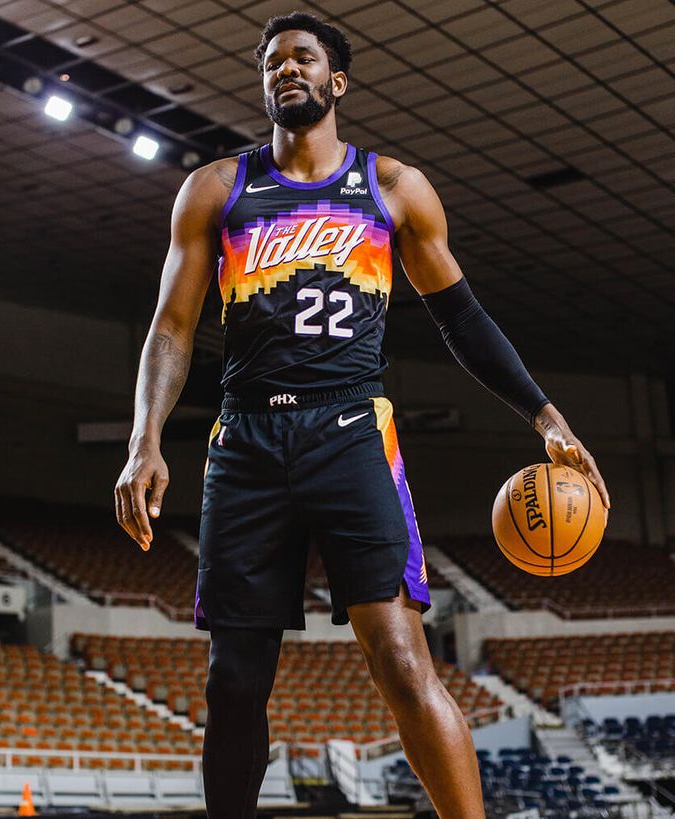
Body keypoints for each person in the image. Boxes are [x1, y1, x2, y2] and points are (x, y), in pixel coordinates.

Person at [115, 12, 610, 818]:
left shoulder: (391, 187)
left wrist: (544, 415)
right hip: (245, 439)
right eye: (272, 62)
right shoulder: (216, 189)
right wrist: (144, 440)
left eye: (302, 59)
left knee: (399, 658)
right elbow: (171, 327)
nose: (285, 71)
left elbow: (462, 318)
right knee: (234, 678)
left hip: (349, 433)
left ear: (335, 81)